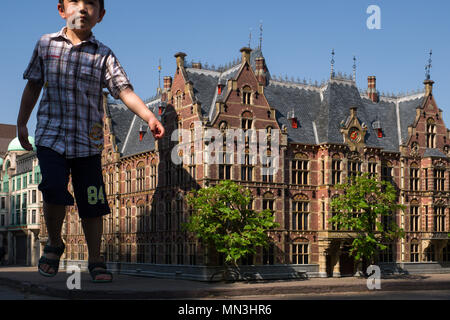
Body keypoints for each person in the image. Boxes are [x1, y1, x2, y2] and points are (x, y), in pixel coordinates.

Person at [17, 0, 165, 283]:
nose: (82, 8)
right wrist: (22, 122)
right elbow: (33, 84)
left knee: (93, 200)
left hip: (88, 143)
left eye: (91, 4)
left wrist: (149, 116)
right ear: (62, 10)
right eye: (75, 2)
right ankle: (55, 242)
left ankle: (95, 258)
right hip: (51, 136)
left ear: (101, 15)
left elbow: (123, 91)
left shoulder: (104, 54)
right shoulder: (45, 45)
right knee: (52, 187)